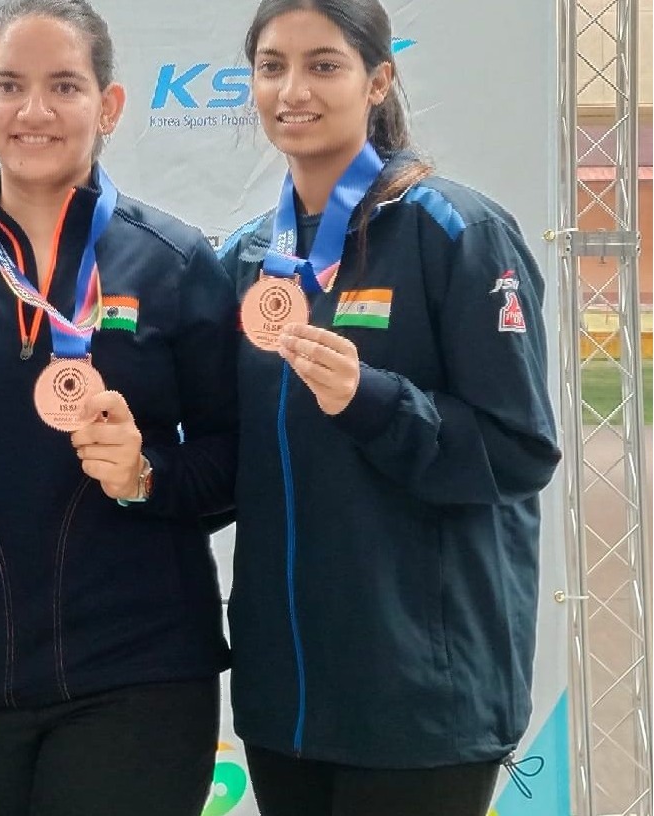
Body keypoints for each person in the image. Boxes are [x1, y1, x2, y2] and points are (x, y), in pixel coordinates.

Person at [0, 1, 238, 814]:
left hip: (136, 676)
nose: (33, 111)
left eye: (64, 86)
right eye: (9, 85)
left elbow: (241, 460)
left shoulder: (176, 264)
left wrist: (147, 475)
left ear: (107, 106)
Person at [217, 1, 562, 814]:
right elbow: (227, 462)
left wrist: (371, 398)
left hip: (419, 704)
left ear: (377, 80)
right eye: (272, 66)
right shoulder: (243, 261)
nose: (292, 89)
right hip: (286, 701)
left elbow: (518, 452)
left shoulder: (457, 231)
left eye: (323, 65)